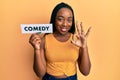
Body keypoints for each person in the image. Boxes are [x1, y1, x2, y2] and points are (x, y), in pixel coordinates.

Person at [29, 2, 91, 80]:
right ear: (54, 20)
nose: (65, 24)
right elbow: (40, 73)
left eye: (69, 20)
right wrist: (36, 50)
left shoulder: (77, 40)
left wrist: (84, 47)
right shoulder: (45, 40)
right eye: (60, 19)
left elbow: (86, 72)